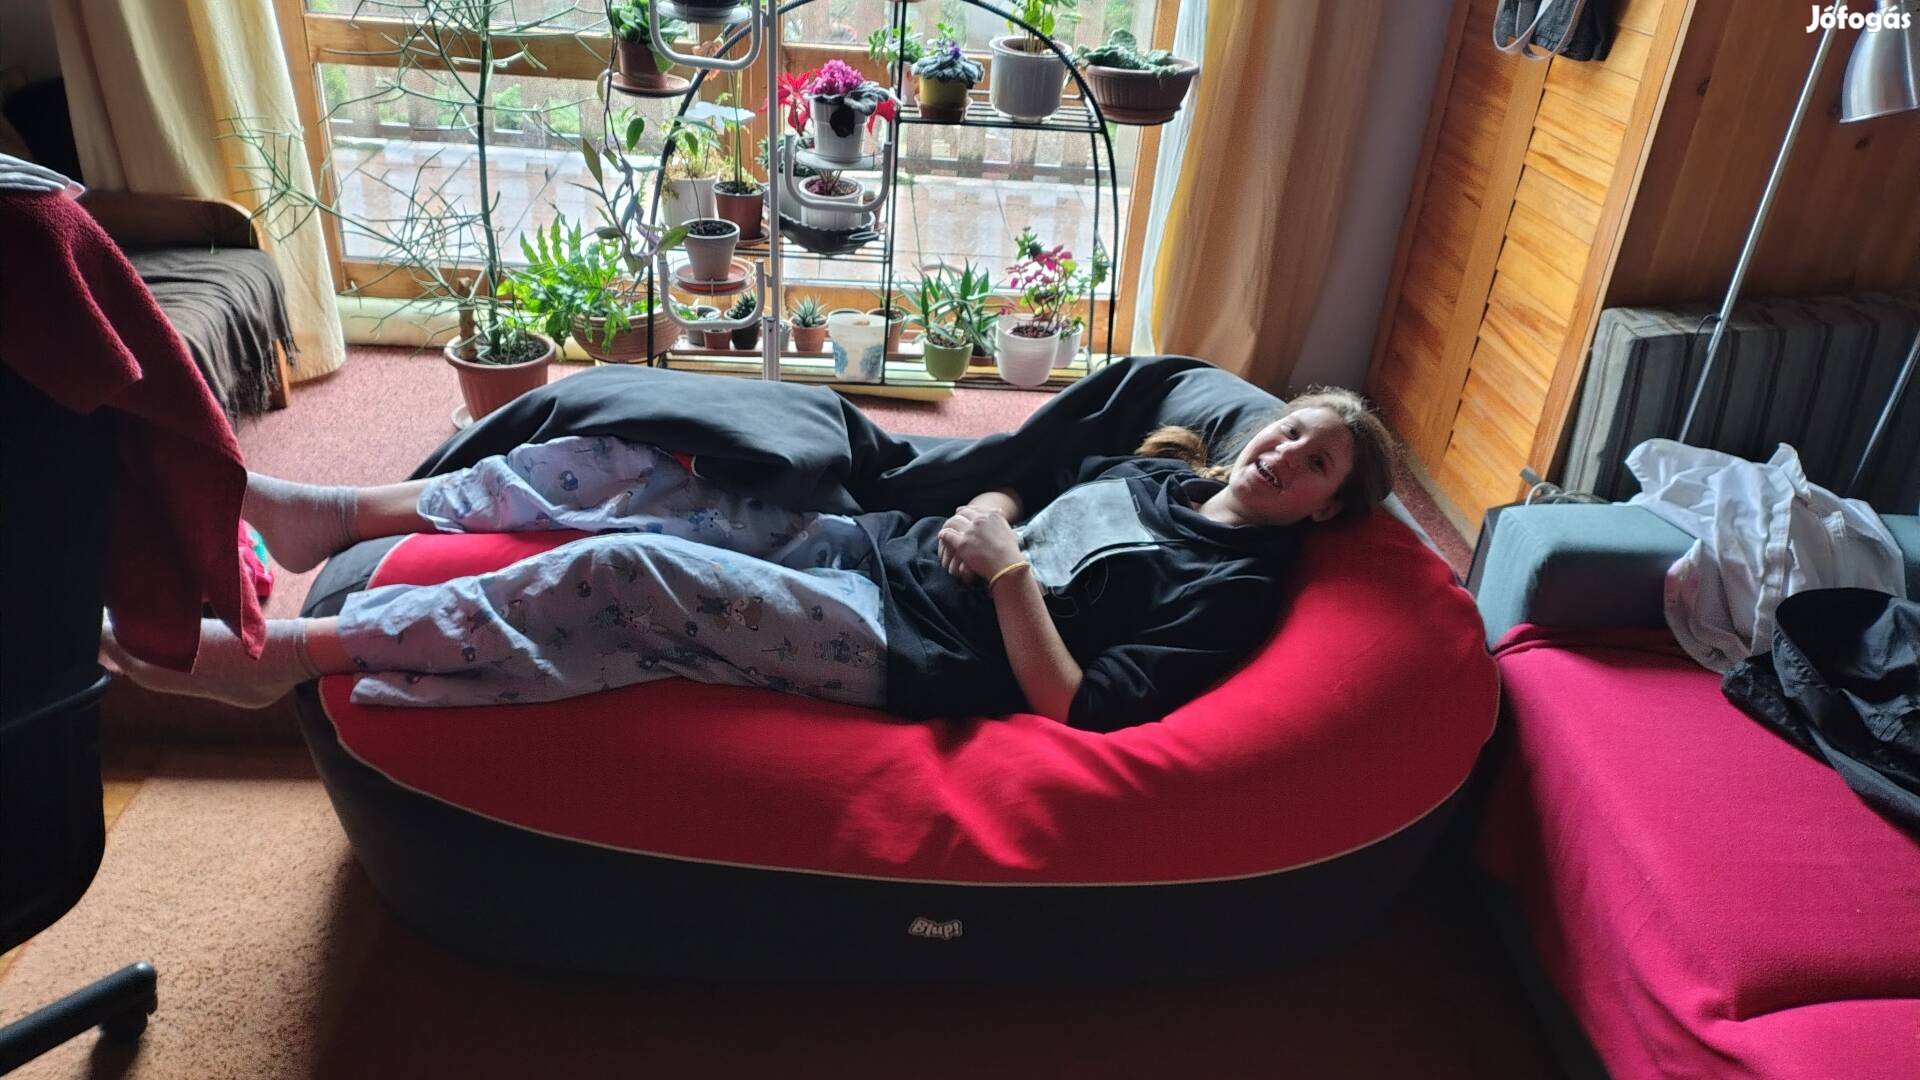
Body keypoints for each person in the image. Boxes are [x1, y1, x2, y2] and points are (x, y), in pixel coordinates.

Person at [101, 388, 1396, 731]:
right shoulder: (1162, 472)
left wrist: (1004, 573)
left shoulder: (1233, 592)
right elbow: (1026, 476)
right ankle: (342, 511)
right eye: (1292, 427)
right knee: (647, 465)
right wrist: (988, 511)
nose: (1287, 451)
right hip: (883, 550)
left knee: (633, 575)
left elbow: (1082, 705)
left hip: (912, 651)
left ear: (1327, 509)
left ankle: (291, 654)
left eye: (1319, 460)